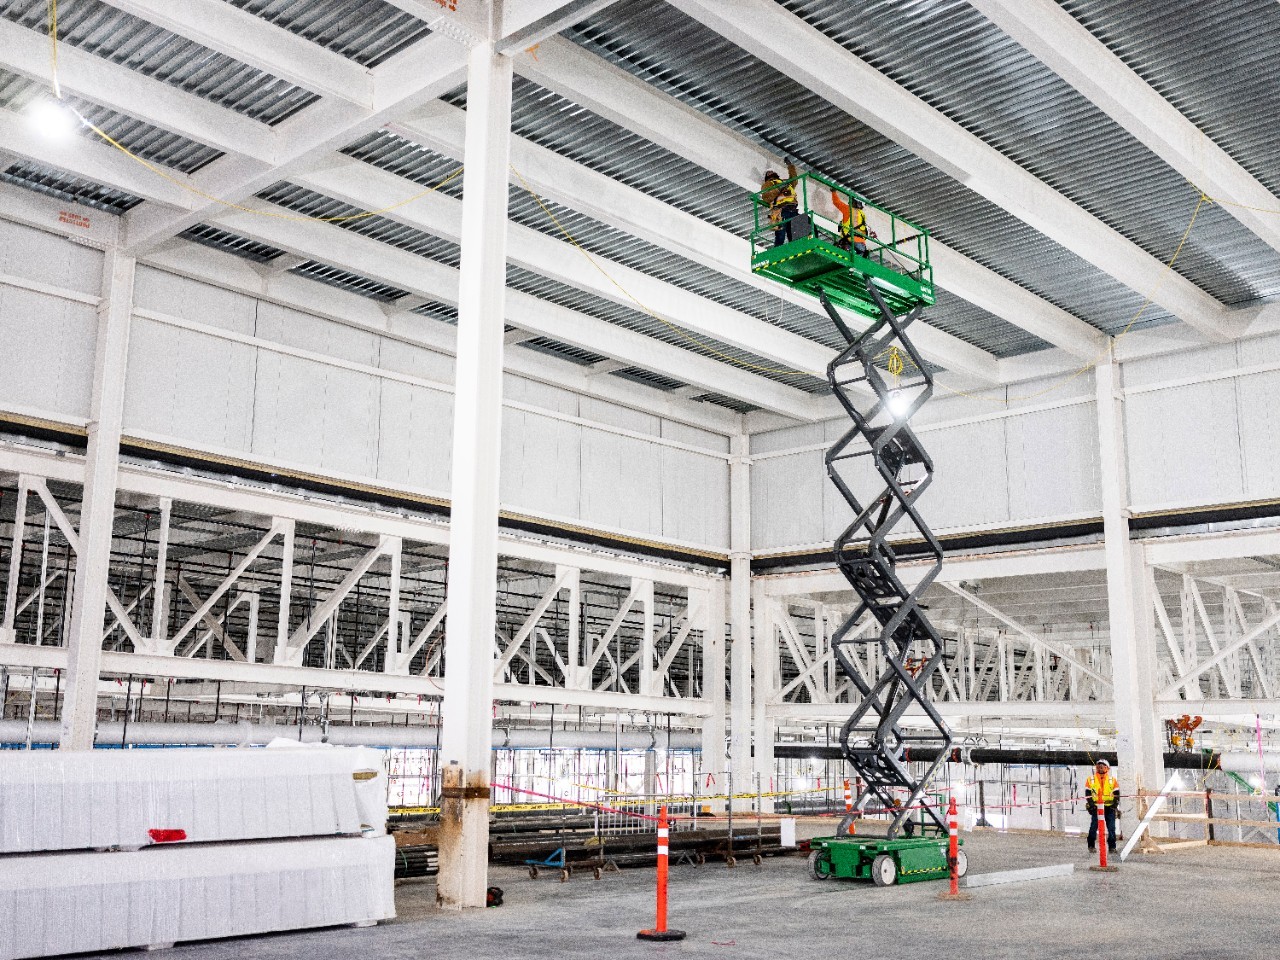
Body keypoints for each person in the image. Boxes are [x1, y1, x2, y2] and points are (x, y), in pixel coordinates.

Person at [760, 159, 799, 246]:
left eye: (771, 172)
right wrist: (778, 189)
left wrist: (790, 166)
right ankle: (777, 250)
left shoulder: (784, 182)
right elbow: (766, 197)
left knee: (795, 232)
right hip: (782, 210)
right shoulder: (768, 184)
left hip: (793, 209)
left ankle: (796, 247)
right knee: (780, 234)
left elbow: (794, 180)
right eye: (768, 173)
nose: (770, 173)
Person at [1085, 759, 1119, 854]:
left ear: (1107, 768)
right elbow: (1088, 793)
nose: (1100, 767)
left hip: (1109, 807)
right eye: (1098, 765)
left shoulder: (1112, 780)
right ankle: (1091, 845)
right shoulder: (1090, 779)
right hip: (1096, 807)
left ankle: (1112, 847)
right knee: (1094, 827)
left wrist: (1114, 805)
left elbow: (1117, 794)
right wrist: (1091, 805)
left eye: (1102, 765)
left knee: (1111, 828)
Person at [830, 189, 870, 256]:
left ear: (857, 203)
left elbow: (836, 202)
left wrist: (833, 192)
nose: (850, 202)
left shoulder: (849, 210)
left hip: (851, 243)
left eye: (852, 201)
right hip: (861, 248)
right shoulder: (862, 215)